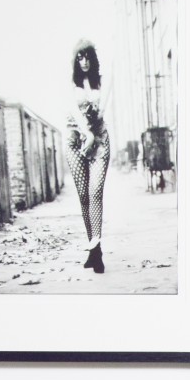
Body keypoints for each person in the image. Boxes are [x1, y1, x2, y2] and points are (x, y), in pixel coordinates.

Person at [65, 39, 111, 274]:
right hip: (75, 140)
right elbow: (73, 110)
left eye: (88, 57)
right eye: (80, 57)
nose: (84, 62)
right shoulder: (70, 82)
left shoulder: (102, 81)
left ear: (93, 58)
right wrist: (86, 133)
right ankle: (94, 250)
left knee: (96, 191)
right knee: (84, 195)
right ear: (75, 61)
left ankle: (97, 249)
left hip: (99, 139)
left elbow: (100, 111)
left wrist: (93, 134)